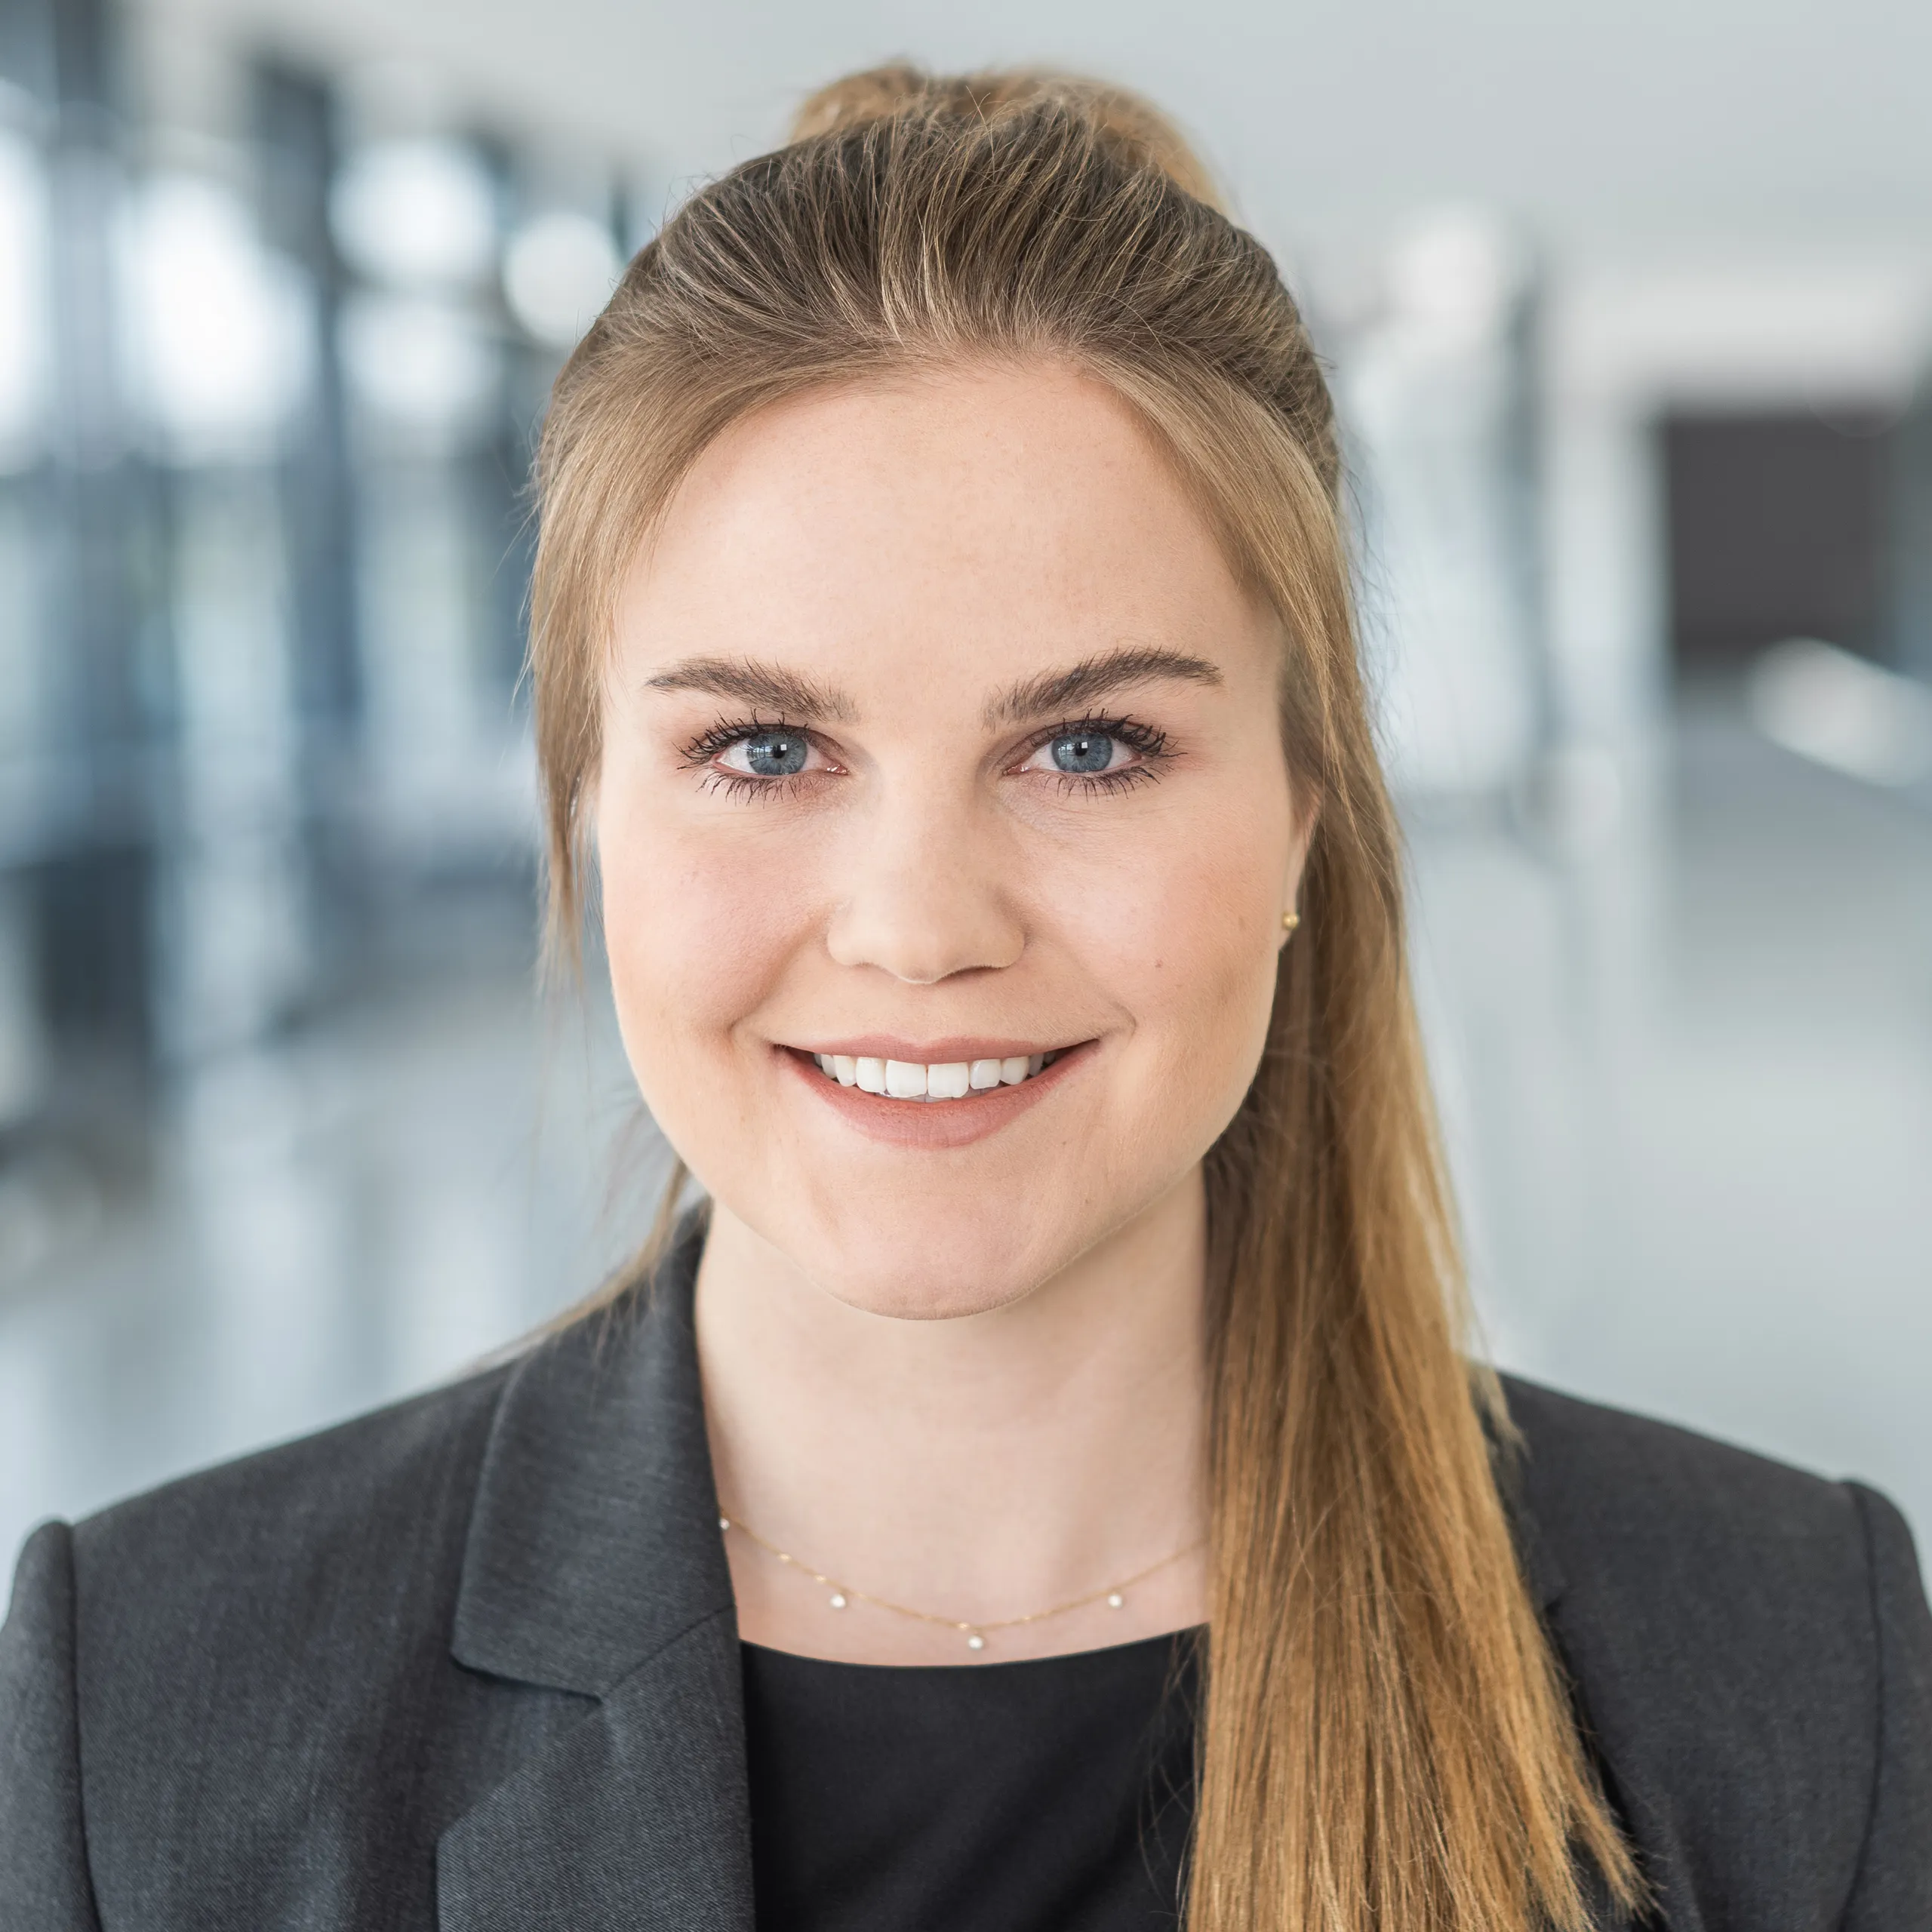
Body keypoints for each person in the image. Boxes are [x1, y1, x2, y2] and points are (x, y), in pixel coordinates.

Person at [2, 66, 1927, 1932]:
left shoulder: (1785, 1672)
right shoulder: (149, 1709)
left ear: (1299, 816)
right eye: (763, 749)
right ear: (587, 806)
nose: (919, 928)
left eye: (1089, 746)